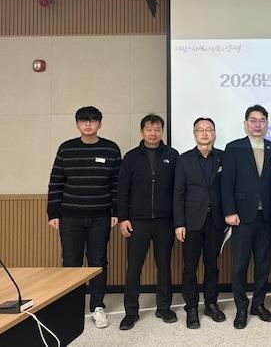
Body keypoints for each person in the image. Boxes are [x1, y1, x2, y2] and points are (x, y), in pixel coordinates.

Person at [46, 106, 121, 329]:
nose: (88, 124)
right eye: (84, 121)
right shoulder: (66, 149)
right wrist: (53, 213)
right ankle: (71, 306)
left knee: (98, 261)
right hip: (70, 217)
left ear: (100, 124)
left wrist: (116, 212)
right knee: (71, 262)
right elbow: (56, 181)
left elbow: (116, 185)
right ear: (77, 124)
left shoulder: (111, 149)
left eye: (93, 120)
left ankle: (97, 306)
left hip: (100, 216)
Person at [222, 105, 271, 329]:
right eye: (253, 120)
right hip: (241, 217)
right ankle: (241, 307)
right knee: (240, 265)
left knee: (263, 264)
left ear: (267, 124)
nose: (258, 124)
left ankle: (258, 304)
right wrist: (229, 211)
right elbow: (226, 183)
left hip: (266, 217)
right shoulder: (233, 148)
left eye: (262, 120)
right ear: (245, 124)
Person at [117, 114, 179, 330]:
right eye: (149, 129)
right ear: (142, 131)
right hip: (137, 221)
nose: (153, 133)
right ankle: (130, 312)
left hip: (165, 221)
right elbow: (122, 191)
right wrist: (123, 218)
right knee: (134, 268)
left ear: (162, 131)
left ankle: (164, 308)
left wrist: (177, 220)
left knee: (164, 266)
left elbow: (178, 190)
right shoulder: (131, 157)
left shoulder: (172, 155)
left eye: (157, 129)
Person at [173, 117, 226, 329]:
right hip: (191, 221)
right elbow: (178, 193)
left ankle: (211, 304)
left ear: (214, 133)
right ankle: (192, 307)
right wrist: (179, 223)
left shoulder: (223, 157)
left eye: (208, 129)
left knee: (212, 265)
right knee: (190, 267)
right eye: (200, 130)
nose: (204, 133)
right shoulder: (184, 159)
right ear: (194, 134)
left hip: (216, 220)